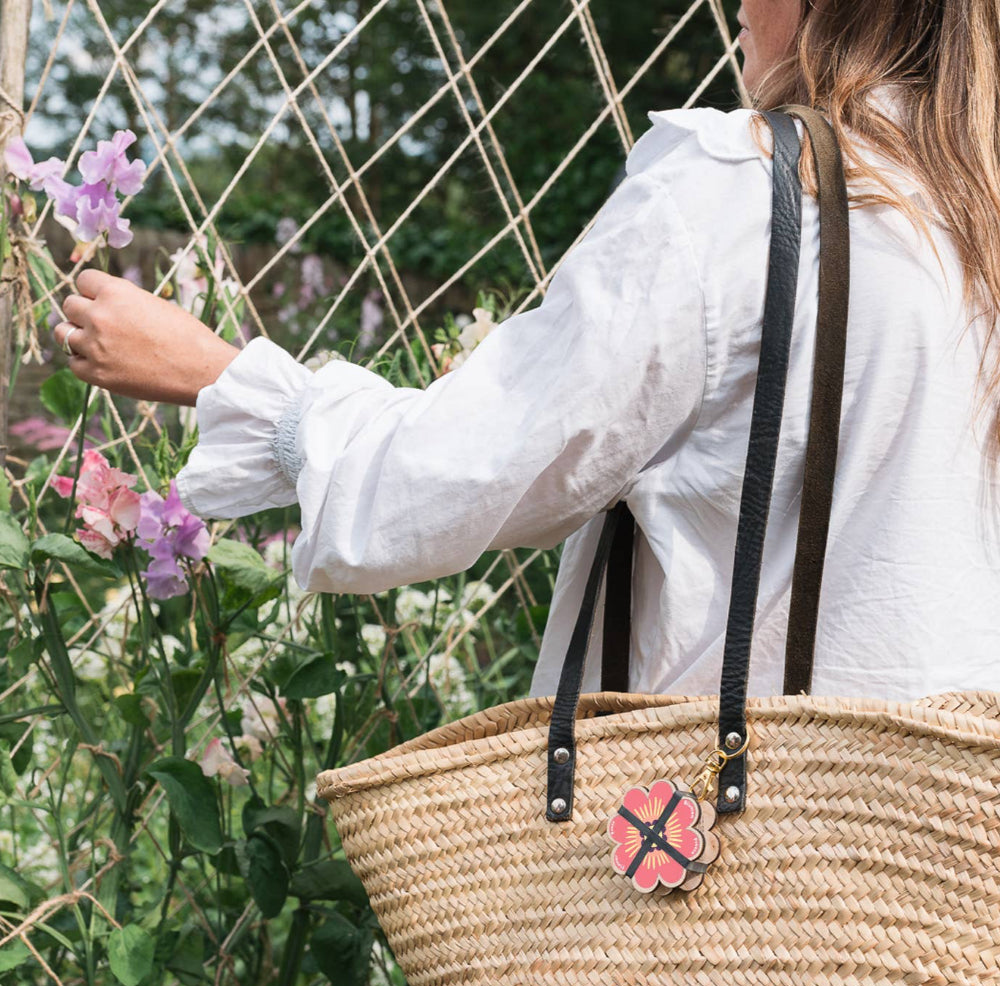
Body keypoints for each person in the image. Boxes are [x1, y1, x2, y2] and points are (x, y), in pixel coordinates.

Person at [54, 1, 1000, 702]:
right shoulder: (969, 221)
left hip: (719, 868)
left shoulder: (740, 193)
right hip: (925, 873)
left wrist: (222, 375)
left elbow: (467, 471)